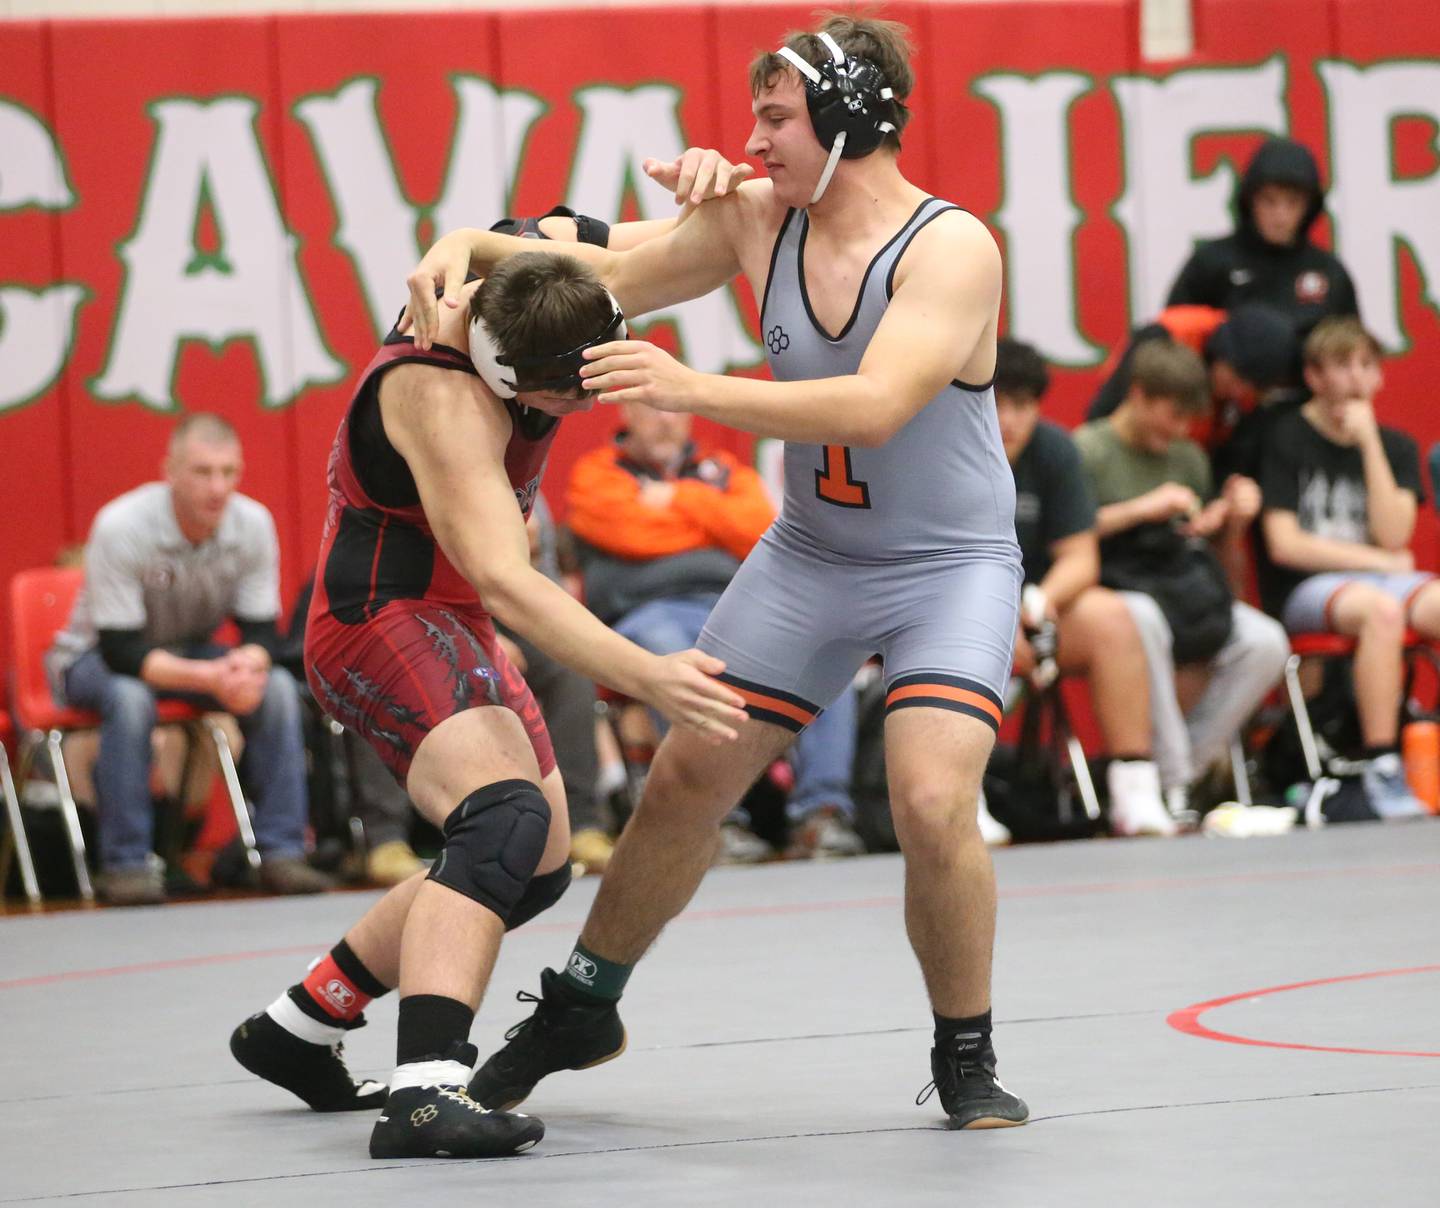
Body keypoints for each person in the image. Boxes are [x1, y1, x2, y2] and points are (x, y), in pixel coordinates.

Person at [407, 15, 1031, 1129]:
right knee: (688, 772)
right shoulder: (759, 219)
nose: (752, 139)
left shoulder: (952, 247)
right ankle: (582, 1002)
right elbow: (613, 270)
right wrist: (473, 242)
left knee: (934, 797)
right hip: (814, 552)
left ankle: (965, 1048)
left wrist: (691, 391)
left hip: (948, 564)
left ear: (849, 120)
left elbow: (877, 406)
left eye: (776, 119)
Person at [227, 246, 747, 1161]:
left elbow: (679, 255)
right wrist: (647, 671)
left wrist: (722, 196)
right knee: (498, 823)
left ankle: (299, 1025)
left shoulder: (538, 287)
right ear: (503, 370)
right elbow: (508, 581)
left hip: (447, 612)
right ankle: (424, 1094)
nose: (581, 412)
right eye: (561, 397)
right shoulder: (442, 393)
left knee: (535, 865)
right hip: (376, 613)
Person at [47, 414, 331, 906]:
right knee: (131, 698)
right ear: (170, 472)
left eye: (228, 472)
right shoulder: (122, 525)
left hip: (187, 651)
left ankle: (283, 852)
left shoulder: (253, 524)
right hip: (94, 659)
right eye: (202, 472)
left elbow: (262, 633)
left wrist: (247, 664)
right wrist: (214, 678)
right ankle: (126, 865)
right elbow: (122, 651)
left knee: (278, 688)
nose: (217, 487)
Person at [567, 401, 864, 859]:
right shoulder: (596, 472)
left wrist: (678, 501)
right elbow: (625, 532)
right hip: (646, 614)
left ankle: (821, 814)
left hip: (737, 609)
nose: (665, 419)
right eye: (651, 410)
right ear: (626, 414)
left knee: (826, 656)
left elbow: (759, 528)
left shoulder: (725, 470)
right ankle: (718, 822)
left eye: (672, 409)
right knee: (683, 659)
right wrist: (713, 529)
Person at [1074, 341, 1289, 824]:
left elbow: (1216, 563)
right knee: (1140, 619)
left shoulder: (1189, 457)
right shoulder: (1086, 450)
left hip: (1180, 584)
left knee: (1266, 639)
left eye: (1188, 420)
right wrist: (1140, 510)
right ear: (1138, 395)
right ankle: (1170, 782)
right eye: (1171, 416)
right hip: (1114, 587)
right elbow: (1066, 535)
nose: (1179, 431)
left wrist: (1228, 522)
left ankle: (1177, 775)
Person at [994, 338, 1172, 836]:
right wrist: (994, 623)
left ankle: (1133, 790)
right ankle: (962, 805)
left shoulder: (1053, 451)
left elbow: (1079, 557)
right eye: (997, 403)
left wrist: (1038, 604)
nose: (1009, 419)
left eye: (1023, 405)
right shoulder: (943, 451)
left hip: (1033, 616)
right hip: (953, 615)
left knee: (1113, 619)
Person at [1259, 317, 1433, 817]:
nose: (1357, 380)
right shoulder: (1287, 437)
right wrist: (1379, 561)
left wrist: (1370, 443)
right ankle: (1382, 766)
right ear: (1314, 376)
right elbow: (1285, 542)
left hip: (1386, 578)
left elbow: (1398, 533)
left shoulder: (1393, 444)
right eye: (1342, 365)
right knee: (1381, 613)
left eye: (1367, 366)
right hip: (1312, 590)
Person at [1166, 136, 1359, 337]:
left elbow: (1350, 350)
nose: (1280, 216)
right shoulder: (1211, 264)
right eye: (1269, 201)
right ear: (1250, 201)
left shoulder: (1329, 272)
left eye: (1292, 202)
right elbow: (1172, 346)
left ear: (1309, 207)